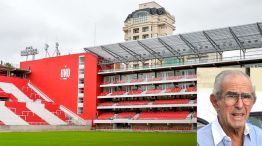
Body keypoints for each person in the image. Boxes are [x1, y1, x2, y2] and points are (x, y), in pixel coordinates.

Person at [197, 70, 262, 146]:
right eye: (231, 96)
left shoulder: (259, 136)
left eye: (246, 97)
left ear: (253, 102)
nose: (240, 105)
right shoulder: (198, 141)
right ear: (215, 102)